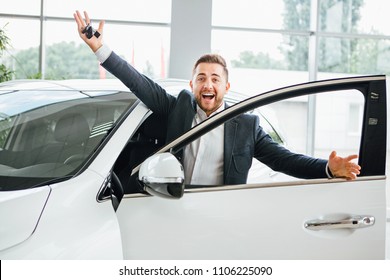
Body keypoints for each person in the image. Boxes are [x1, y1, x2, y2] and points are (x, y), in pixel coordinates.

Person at [74, 11, 361, 185]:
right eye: (201, 78)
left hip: (220, 213)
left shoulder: (247, 126)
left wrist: (327, 168)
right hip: (171, 207)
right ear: (192, 84)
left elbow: (285, 160)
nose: (207, 84)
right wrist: (100, 48)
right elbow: (138, 82)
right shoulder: (176, 109)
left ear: (226, 86)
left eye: (215, 79)